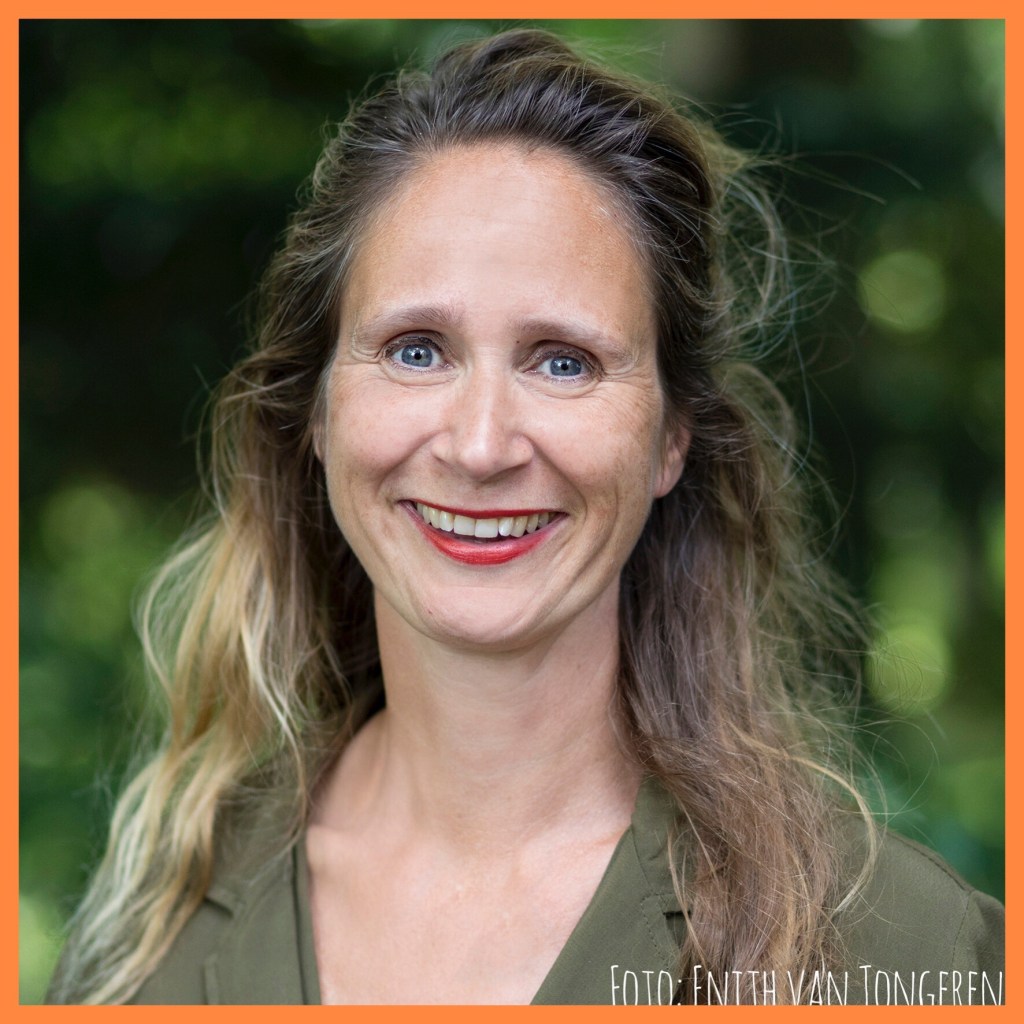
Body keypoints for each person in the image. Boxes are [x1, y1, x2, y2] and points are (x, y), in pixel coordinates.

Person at [47, 28, 1003, 1005]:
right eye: (416, 349)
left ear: (671, 438)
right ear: (319, 411)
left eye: (564, 362)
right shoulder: (153, 926)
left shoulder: (902, 950)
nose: (480, 445)